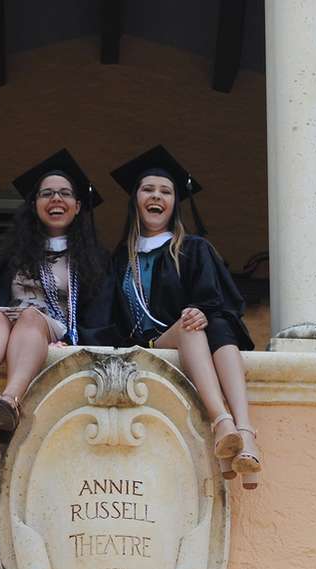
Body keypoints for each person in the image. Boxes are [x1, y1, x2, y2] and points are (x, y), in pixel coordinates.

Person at [108, 146, 261, 488]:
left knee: (211, 323)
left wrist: (201, 310)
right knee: (191, 328)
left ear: (175, 202)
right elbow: (109, 317)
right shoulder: (119, 260)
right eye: (148, 189)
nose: (156, 197)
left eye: (166, 191)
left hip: (193, 337)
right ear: (135, 199)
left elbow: (218, 301)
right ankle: (224, 422)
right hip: (147, 344)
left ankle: (240, 436)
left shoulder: (193, 248)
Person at [0, 149, 113, 442]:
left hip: (50, 326)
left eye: (64, 194)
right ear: (34, 204)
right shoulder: (11, 254)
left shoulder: (93, 260)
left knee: (28, 318)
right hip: (7, 317)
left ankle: (10, 399)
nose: (55, 199)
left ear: (77, 206)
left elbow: (102, 311)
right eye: (46, 194)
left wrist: (81, 341)